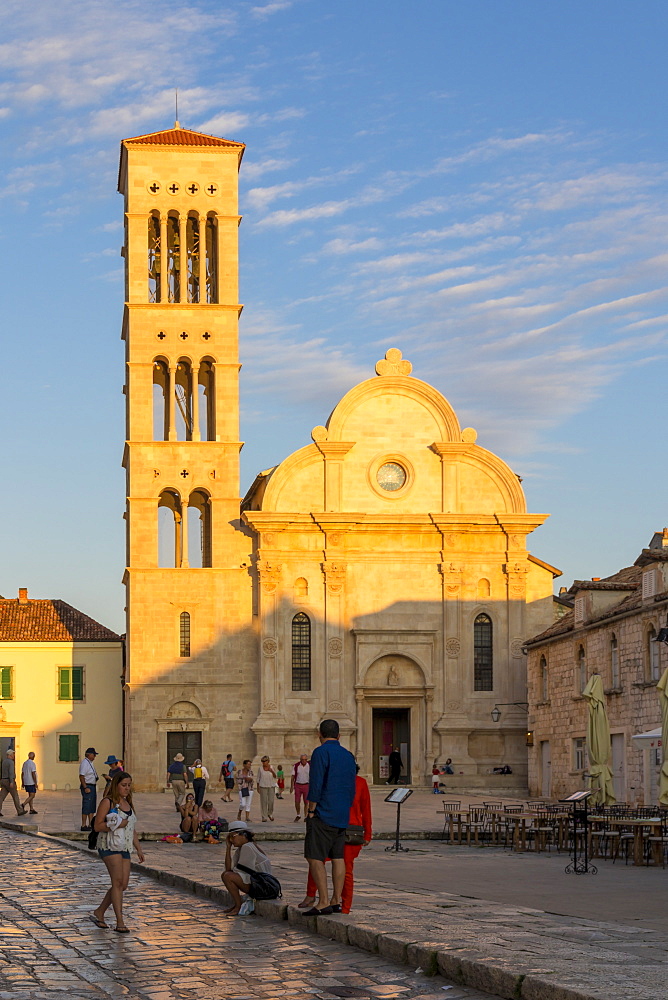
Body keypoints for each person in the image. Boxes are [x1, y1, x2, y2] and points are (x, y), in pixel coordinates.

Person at [300, 764, 372, 914]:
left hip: (349, 831)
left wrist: (367, 833)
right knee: (317, 861)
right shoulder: (334, 781)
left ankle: (343, 905)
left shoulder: (359, 783)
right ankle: (312, 895)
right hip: (331, 825)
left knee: (344, 868)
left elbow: (366, 809)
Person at [302, 719, 356, 916]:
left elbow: (316, 783)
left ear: (320, 735)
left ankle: (323, 901)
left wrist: (311, 810)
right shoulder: (348, 756)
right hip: (342, 814)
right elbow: (352, 786)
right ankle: (335, 899)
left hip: (323, 813)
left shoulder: (320, 752)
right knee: (337, 857)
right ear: (339, 736)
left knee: (314, 857)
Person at [90, 770, 145, 933]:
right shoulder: (108, 802)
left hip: (124, 846)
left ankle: (100, 911)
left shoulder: (128, 803)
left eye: (129, 785)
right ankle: (119, 920)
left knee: (123, 884)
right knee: (117, 882)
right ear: (116, 786)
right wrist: (115, 825)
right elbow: (97, 826)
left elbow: (131, 828)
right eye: (123, 785)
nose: (127, 788)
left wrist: (139, 849)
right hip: (109, 845)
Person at [221, 820, 272, 917]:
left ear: (243, 835)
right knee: (226, 875)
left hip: (264, 886)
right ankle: (237, 904)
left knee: (228, 877)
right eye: (229, 837)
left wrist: (230, 873)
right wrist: (228, 848)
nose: (231, 840)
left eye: (233, 836)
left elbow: (237, 871)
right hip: (258, 883)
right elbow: (228, 868)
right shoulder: (241, 848)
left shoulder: (248, 847)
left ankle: (238, 906)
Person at [0, 750, 27, 817]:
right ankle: (20, 810)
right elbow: (11, 772)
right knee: (15, 796)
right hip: (9, 781)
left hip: (3, 780)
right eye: (13, 754)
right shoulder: (11, 762)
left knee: (1, 797)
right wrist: (12, 782)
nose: (14, 756)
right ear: (10, 755)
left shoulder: (4, 762)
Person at [79, 747, 99, 831]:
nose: (95, 756)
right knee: (87, 805)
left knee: (92, 806)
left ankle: (90, 823)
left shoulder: (90, 763)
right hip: (88, 786)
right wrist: (85, 787)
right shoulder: (85, 763)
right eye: (94, 755)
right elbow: (81, 776)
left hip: (92, 786)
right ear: (89, 755)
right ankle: (84, 825)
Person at [290, 753, 310, 822]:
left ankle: (305, 816)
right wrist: (291, 786)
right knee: (297, 801)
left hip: (306, 785)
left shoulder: (310, 766)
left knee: (306, 802)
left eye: (305, 760)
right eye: (302, 760)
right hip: (298, 785)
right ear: (300, 760)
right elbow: (292, 776)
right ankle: (298, 814)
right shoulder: (296, 766)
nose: (304, 761)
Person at [257, 755, 277, 822]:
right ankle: (264, 816)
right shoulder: (260, 768)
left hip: (271, 786)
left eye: (265, 761)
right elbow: (258, 778)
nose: (263, 762)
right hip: (263, 786)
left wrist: (271, 771)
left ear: (268, 761)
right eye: (262, 761)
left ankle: (270, 814)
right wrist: (258, 787)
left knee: (271, 801)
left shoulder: (272, 767)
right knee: (263, 802)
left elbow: (275, 776)